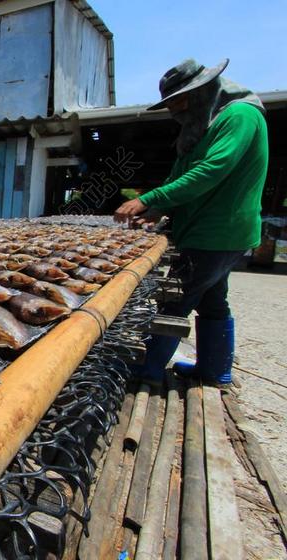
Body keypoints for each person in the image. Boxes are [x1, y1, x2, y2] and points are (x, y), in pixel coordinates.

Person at [114, 58, 269, 385]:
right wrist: (159, 211)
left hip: (215, 234)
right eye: (171, 104)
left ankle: (148, 369)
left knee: (176, 300)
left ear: (202, 91)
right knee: (213, 302)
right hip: (208, 233)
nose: (175, 111)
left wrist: (148, 199)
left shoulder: (240, 116)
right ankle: (215, 371)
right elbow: (182, 176)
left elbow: (212, 171)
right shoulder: (202, 127)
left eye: (179, 101)